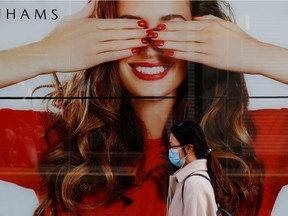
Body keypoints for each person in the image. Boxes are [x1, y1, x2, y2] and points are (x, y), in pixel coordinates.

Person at [0, 0, 287, 215]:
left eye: (172, 29)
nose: (151, 49)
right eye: (130, 30)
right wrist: (41, 53)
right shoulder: (48, 140)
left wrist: (258, 54)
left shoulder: (259, 138)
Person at [167, 120, 233, 216]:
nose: (170, 150)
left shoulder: (194, 183)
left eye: (172, 146)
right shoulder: (189, 179)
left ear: (189, 148)